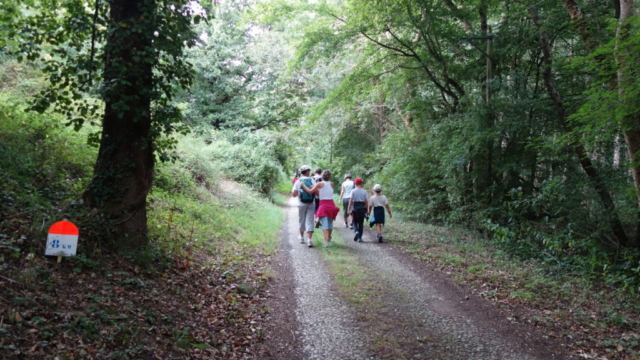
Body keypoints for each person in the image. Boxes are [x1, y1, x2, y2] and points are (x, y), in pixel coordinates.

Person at [300, 170, 340, 248]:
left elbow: (311, 192)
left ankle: (326, 242)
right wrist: (316, 188)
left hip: (324, 205)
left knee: (324, 224)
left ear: (322, 176)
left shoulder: (319, 184)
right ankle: (328, 237)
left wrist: (304, 186)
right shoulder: (332, 184)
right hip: (331, 204)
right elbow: (325, 190)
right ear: (329, 176)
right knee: (330, 223)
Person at [291, 165, 316, 247]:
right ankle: (309, 240)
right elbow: (317, 192)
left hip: (301, 203)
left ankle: (301, 237)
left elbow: (294, 195)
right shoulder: (312, 180)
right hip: (311, 203)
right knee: (310, 220)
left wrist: (298, 191)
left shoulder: (298, 181)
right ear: (307, 171)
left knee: (301, 219)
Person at [348, 178, 368, 242]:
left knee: (354, 221)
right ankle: (360, 237)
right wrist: (367, 209)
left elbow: (351, 201)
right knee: (361, 223)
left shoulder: (353, 191)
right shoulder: (364, 191)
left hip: (355, 208)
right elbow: (366, 201)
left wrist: (348, 209)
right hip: (362, 208)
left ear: (355, 183)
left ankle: (356, 231)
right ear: (361, 183)